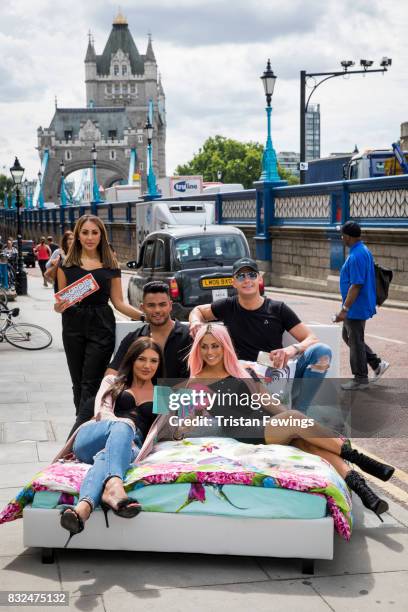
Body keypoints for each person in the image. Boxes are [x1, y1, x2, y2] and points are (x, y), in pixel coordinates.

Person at [181, 323, 394, 520]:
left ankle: (366, 493)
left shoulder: (241, 370)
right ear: (198, 349)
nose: (210, 352)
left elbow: (266, 400)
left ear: (224, 346)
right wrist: (179, 428)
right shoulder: (197, 381)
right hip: (244, 430)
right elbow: (190, 416)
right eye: (205, 346)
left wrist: (295, 421)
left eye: (215, 346)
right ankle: (365, 461)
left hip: (267, 423)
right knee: (294, 419)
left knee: (309, 444)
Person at [189, 257, 332, 412]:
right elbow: (198, 311)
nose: (247, 280)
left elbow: (312, 338)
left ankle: (301, 411)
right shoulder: (227, 306)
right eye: (241, 276)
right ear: (234, 282)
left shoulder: (278, 309)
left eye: (251, 275)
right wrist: (195, 322)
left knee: (322, 352)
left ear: (259, 279)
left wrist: (291, 350)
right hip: (243, 376)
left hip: (273, 368)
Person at [57, 337, 163, 546]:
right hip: (94, 436)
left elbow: (165, 431)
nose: (147, 365)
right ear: (132, 359)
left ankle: (82, 509)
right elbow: (103, 413)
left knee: (107, 456)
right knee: (124, 425)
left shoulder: (164, 393)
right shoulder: (113, 382)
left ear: (160, 364)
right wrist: (124, 429)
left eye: (154, 361)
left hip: (130, 448)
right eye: (142, 359)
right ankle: (114, 485)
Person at [66, 281, 192, 438]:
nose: (157, 310)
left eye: (162, 305)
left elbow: (194, 381)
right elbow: (112, 374)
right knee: (91, 404)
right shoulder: (134, 337)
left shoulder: (188, 337)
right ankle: (69, 453)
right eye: (151, 305)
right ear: (142, 308)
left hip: (172, 400)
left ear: (170, 306)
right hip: (135, 396)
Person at [54, 214, 143, 418]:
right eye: (85, 232)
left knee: (92, 381)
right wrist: (59, 307)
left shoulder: (110, 265)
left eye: (95, 232)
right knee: (77, 382)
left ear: (102, 236)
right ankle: (83, 421)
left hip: (101, 325)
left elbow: (119, 302)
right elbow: (60, 303)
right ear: (77, 236)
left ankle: (83, 425)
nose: (90, 237)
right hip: (72, 325)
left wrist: (145, 316)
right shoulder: (65, 265)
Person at [334, 221, 390, 390]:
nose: (341, 237)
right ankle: (376, 363)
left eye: (342, 234)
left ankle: (360, 379)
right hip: (357, 305)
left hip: (355, 307)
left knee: (355, 341)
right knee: (349, 337)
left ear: (348, 237)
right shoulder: (361, 250)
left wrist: (344, 309)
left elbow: (356, 285)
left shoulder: (357, 255)